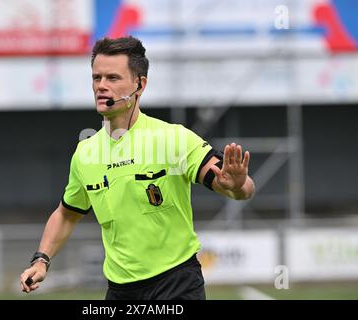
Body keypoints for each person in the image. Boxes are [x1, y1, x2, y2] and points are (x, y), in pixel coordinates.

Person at [20, 36, 255, 300]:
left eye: (113, 78)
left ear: (139, 84)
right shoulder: (85, 154)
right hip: (120, 291)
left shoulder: (173, 139)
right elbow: (66, 214)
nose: (102, 87)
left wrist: (235, 185)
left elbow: (241, 188)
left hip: (177, 284)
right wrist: (41, 260)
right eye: (97, 78)